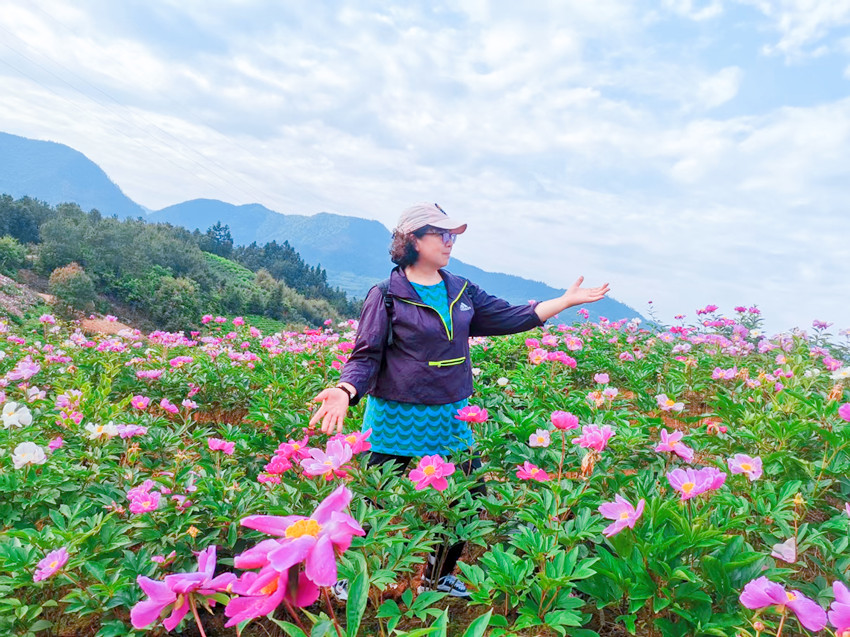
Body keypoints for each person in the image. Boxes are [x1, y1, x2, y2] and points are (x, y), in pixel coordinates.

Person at [309, 202, 610, 599]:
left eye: (453, 236)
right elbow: (367, 356)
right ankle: (353, 574)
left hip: (451, 412)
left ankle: (437, 576)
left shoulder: (461, 290)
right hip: (396, 413)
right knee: (373, 500)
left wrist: (565, 301)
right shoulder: (385, 295)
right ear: (413, 239)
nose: (451, 243)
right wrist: (345, 390)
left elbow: (510, 316)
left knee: (467, 496)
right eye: (443, 235)